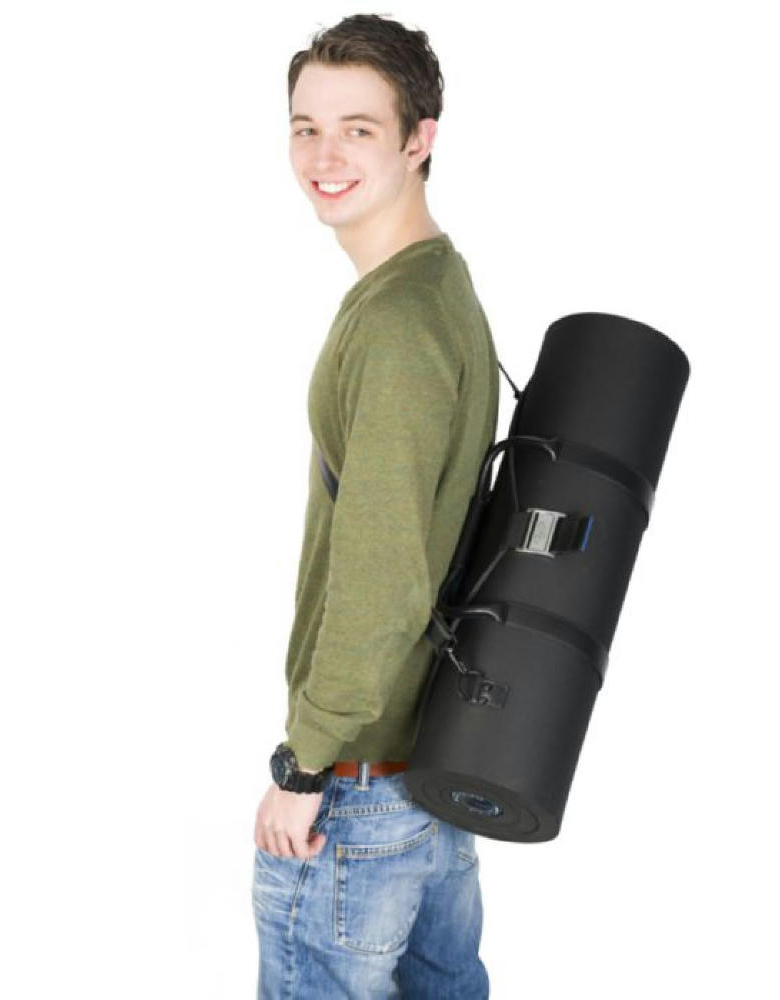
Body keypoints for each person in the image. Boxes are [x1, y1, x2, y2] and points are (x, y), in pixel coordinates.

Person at [251, 14, 497, 999]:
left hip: (361, 789)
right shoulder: (432, 283)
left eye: (358, 129)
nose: (324, 156)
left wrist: (305, 764)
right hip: (423, 774)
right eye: (305, 127)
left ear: (418, 139)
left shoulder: (398, 325)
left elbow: (383, 573)